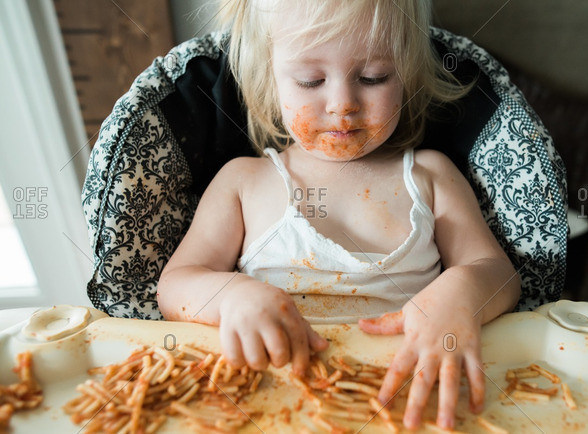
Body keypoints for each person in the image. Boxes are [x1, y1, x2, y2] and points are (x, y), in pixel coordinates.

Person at [157, 0, 521, 429]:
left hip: (407, 403)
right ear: (270, 81)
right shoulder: (244, 183)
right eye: (311, 81)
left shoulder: (430, 176)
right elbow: (175, 285)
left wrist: (463, 291)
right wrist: (232, 295)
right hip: (270, 407)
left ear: (407, 75)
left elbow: (498, 272)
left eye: (373, 77)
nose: (342, 103)